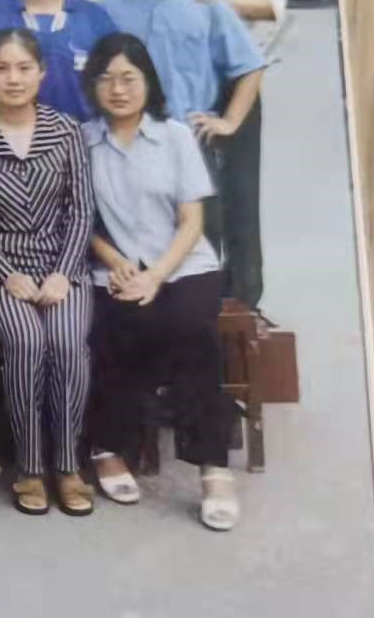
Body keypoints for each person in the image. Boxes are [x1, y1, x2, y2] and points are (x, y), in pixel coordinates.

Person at [80, 32, 240, 531]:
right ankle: (108, 446)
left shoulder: (174, 136)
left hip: (183, 264)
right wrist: (116, 260)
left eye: (129, 78)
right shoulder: (81, 141)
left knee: (191, 330)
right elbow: (81, 220)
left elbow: (192, 221)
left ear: (148, 81)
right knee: (115, 326)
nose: (118, 89)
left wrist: (156, 275)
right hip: (115, 267)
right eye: (106, 79)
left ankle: (213, 467)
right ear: (92, 85)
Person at [0, 27, 96, 517]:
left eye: (23, 68)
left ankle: (68, 465)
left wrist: (63, 273)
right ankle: (30, 466)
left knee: (66, 341)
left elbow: (81, 211)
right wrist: (5, 272)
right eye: (1, 68)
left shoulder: (67, 130)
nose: (13, 78)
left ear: (42, 73)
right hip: (1, 271)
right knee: (26, 340)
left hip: (62, 266)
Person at [101, 0, 266, 305]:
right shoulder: (108, 10)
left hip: (192, 143)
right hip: (131, 145)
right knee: (141, 247)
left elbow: (249, 66)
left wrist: (228, 121)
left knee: (200, 252)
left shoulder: (203, 2)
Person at [157, 0, 286, 309]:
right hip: (173, 82)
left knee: (239, 197)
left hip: (234, 80)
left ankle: (245, 306)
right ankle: (195, 302)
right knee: (186, 200)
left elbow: (272, 5)